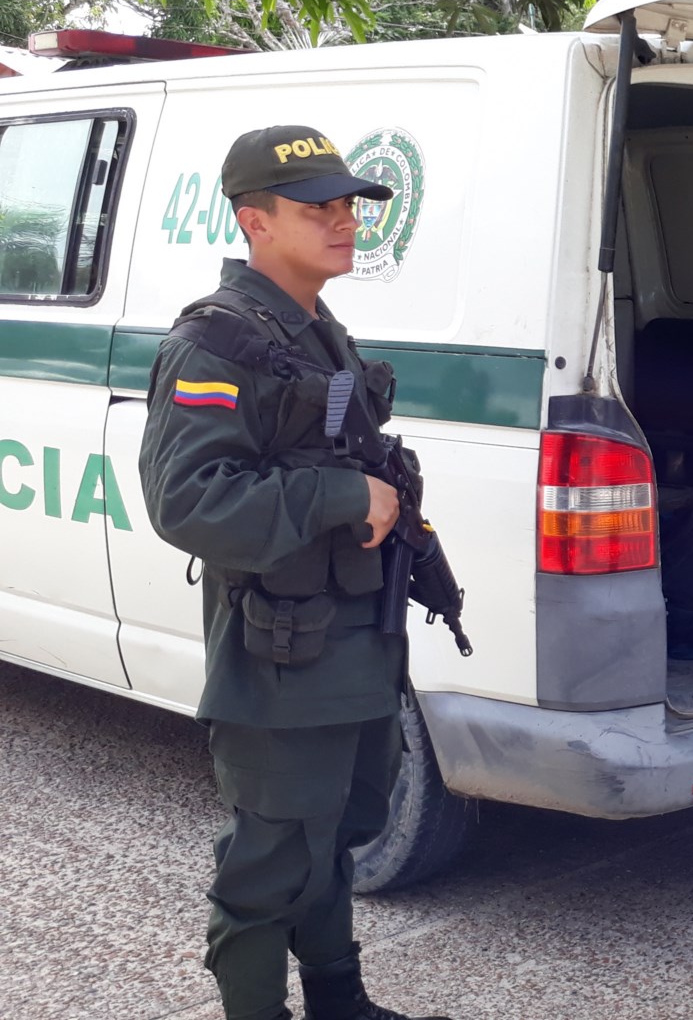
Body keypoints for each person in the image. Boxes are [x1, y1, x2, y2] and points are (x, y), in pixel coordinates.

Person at [139, 126, 450, 1020]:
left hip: (353, 641)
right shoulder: (218, 343)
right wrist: (338, 494)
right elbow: (187, 501)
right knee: (270, 859)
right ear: (254, 221)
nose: (346, 221)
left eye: (349, 204)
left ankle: (340, 1002)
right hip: (281, 657)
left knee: (341, 831)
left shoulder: (316, 327)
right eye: (320, 208)